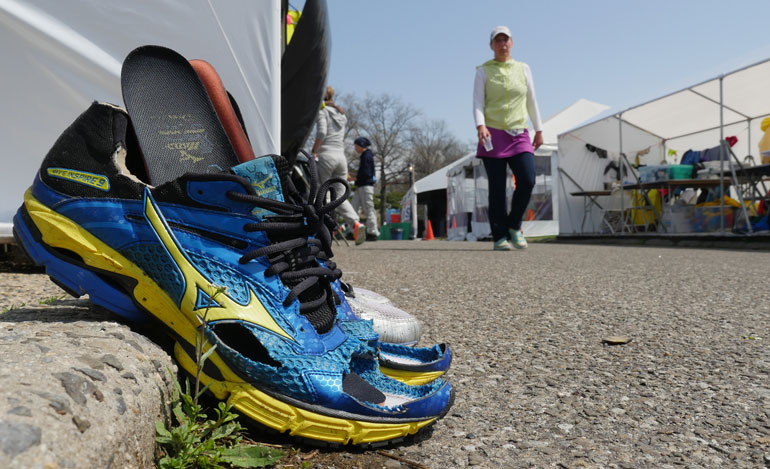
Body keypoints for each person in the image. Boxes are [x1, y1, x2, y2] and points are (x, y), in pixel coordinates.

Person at [473, 25, 543, 250]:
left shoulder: (523, 69)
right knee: (497, 188)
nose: (502, 44)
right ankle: (500, 237)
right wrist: (480, 125)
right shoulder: (483, 70)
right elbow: (477, 102)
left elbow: (531, 100)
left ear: (512, 43)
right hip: (492, 133)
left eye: (506, 40)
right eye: (498, 41)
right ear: (492, 45)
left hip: (519, 132)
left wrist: (539, 129)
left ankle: (514, 225)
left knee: (528, 178)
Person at [311, 86, 366, 244]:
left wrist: (315, 150)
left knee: (323, 193)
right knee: (341, 195)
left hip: (326, 155)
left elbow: (321, 132)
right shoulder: (341, 114)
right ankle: (355, 223)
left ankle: (328, 227)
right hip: (341, 157)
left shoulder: (323, 112)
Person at [352, 136, 380, 241]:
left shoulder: (367, 156)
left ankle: (373, 232)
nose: (355, 148)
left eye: (356, 146)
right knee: (353, 207)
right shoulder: (365, 155)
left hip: (366, 186)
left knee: (368, 209)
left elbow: (366, 173)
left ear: (361, 145)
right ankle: (353, 230)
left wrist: (354, 177)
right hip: (361, 186)